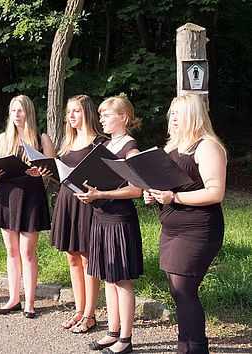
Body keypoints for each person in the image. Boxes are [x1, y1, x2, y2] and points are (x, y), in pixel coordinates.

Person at [143, 94, 226, 354]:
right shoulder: (170, 149)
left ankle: (198, 348)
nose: (174, 118)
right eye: (173, 112)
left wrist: (174, 197)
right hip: (171, 229)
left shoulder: (207, 147)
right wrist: (153, 194)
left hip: (198, 229)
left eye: (180, 113)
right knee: (177, 290)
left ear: (195, 115)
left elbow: (215, 193)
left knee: (183, 289)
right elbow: (164, 185)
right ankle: (184, 345)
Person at [76, 96, 143, 354]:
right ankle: (113, 332)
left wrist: (101, 195)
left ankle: (125, 339)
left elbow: (136, 190)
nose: (101, 119)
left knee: (122, 279)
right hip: (101, 217)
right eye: (101, 114)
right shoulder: (105, 144)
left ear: (123, 117)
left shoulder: (131, 149)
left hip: (119, 220)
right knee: (107, 276)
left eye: (106, 115)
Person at [0, 94, 54, 318]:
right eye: (13, 110)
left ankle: (30, 302)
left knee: (27, 252)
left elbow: (53, 171)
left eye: (21, 111)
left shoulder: (41, 138)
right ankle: (13, 298)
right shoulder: (3, 138)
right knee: (12, 251)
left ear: (29, 113)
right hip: (8, 196)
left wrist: (41, 171)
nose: (16, 115)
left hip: (32, 197)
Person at [48, 95, 106, 333]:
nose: (71, 116)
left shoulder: (100, 142)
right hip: (67, 200)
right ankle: (79, 309)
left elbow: (105, 177)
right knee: (72, 256)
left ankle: (90, 314)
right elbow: (61, 175)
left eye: (76, 111)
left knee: (87, 258)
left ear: (88, 113)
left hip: (87, 202)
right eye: (68, 112)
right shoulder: (68, 141)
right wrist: (45, 171)